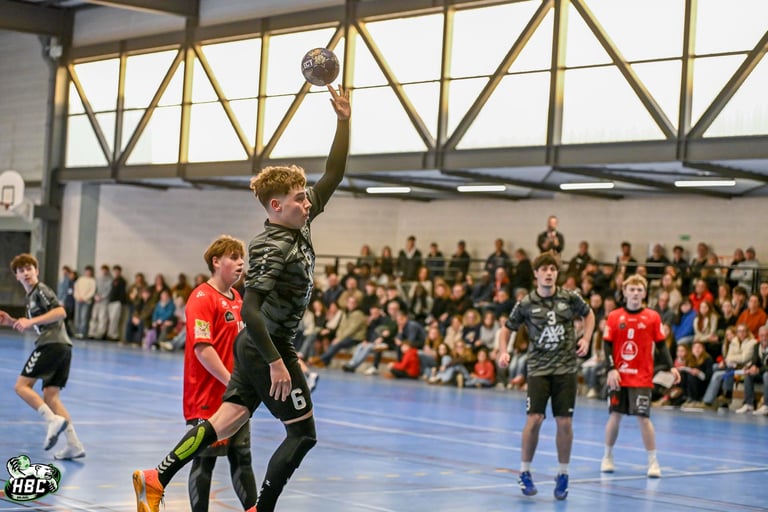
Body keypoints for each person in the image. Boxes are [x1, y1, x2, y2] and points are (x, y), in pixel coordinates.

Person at [132, 84, 350, 512]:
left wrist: (343, 121)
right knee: (302, 434)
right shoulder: (269, 245)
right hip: (268, 346)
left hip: (255, 347)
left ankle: (156, 477)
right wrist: (276, 362)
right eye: (299, 199)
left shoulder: (301, 221)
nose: (308, 203)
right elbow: (250, 308)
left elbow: (334, 173)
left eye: (306, 197)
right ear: (276, 205)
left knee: (225, 421)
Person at [496, 252, 594, 500]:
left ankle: (563, 474)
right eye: (544, 269)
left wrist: (586, 338)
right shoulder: (526, 303)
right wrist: (503, 351)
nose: (549, 273)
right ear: (536, 274)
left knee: (565, 422)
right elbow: (507, 329)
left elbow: (589, 314)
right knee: (535, 418)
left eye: (553, 269)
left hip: (565, 369)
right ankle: (524, 472)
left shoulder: (569, 297)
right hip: (539, 369)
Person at [181, 235, 258, 512]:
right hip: (206, 396)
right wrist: (230, 381)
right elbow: (203, 349)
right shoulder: (201, 298)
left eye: (242, 258)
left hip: (234, 396)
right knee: (205, 460)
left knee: (242, 458)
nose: (240, 263)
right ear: (216, 262)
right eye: (233, 258)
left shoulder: (237, 298)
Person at [0, 253, 86, 460]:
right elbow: (43, 323)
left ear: (36, 271)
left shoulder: (41, 290)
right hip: (62, 346)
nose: (26, 273)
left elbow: (60, 312)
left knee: (21, 386)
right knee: (51, 396)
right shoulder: (30, 298)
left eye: (29, 269)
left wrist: (30, 321)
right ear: (17, 276)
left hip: (52, 345)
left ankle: (52, 420)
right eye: (21, 271)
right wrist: (12, 322)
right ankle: (74, 444)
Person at [600, 274, 679, 478]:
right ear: (625, 292)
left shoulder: (652, 317)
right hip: (619, 377)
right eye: (632, 290)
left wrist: (671, 367)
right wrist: (611, 368)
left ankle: (653, 462)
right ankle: (607, 456)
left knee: (643, 418)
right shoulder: (614, 316)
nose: (635, 293)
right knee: (615, 416)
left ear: (644, 294)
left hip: (642, 377)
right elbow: (606, 344)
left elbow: (661, 345)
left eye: (639, 290)